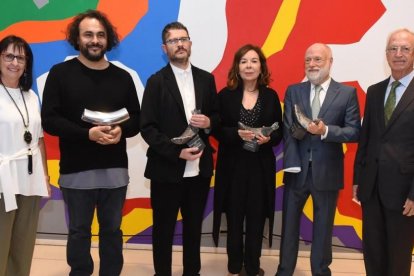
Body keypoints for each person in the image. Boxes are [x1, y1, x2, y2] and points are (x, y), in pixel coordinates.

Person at [41, 10, 140, 276]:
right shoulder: (60, 73)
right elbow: (49, 120)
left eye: (100, 35)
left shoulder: (123, 77)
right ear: (77, 38)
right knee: (78, 233)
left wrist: (122, 131)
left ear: (108, 39)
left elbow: (138, 119)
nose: (94, 40)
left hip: (115, 172)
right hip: (76, 172)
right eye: (88, 35)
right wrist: (87, 134)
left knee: (112, 232)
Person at [140, 21, 219, 276]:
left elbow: (217, 117)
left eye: (183, 39)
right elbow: (148, 128)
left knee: (194, 228)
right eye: (173, 41)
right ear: (165, 48)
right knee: (163, 230)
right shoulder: (155, 82)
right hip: (167, 169)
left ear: (190, 43)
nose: (180, 44)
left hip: (199, 171)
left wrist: (209, 123)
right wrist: (177, 153)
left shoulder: (207, 79)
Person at [276, 43, 361, 276]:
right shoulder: (293, 91)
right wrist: (303, 131)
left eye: (317, 60)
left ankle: (321, 271)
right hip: (296, 170)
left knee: (323, 229)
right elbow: (287, 128)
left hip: (327, 172)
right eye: (308, 60)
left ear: (330, 62)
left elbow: (354, 132)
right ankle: (284, 271)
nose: (312, 64)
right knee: (289, 227)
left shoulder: (346, 93)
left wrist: (325, 131)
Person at [212, 44, 283, 276]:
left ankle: (252, 266)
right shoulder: (225, 95)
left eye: (254, 61)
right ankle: (234, 266)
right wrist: (235, 134)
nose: (249, 66)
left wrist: (268, 139)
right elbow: (216, 129)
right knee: (233, 218)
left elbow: (280, 132)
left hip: (260, 168)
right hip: (232, 167)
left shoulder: (271, 96)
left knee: (255, 218)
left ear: (261, 66)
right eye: (244, 61)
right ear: (237, 67)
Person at [353, 28, 414, 276]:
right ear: (386, 54)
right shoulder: (375, 91)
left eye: (405, 49)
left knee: (398, 255)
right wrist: (358, 179)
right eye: (393, 48)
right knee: (373, 252)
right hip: (371, 188)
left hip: (403, 192)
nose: (398, 54)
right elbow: (366, 138)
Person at [0, 35, 50, 276]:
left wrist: (46, 177)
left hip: (30, 179)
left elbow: (38, 138)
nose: (15, 62)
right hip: (3, 180)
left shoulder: (31, 96)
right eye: (9, 55)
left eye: (21, 57)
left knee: (23, 244)